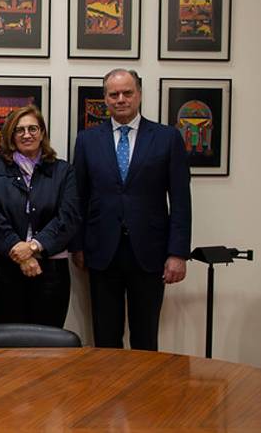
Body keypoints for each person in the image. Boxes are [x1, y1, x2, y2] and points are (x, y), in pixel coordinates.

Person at [73, 68, 191, 351]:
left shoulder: (167, 138)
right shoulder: (87, 140)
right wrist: (78, 246)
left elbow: (181, 200)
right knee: (105, 337)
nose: (121, 99)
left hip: (150, 252)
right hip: (102, 252)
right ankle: (108, 393)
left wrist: (178, 253)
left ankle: (145, 396)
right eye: (113, 94)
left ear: (139, 94)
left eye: (127, 93)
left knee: (145, 337)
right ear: (105, 99)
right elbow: (79, 197)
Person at [0, 105, 79, 327]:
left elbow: (68, 218)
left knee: (48, 344)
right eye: (19, 129)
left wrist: (33, 247)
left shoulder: (63, 171)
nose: (27, 135)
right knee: (7, 343)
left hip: (52, 270)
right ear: (11, 135)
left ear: (42, 133)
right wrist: (20, 252)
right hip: (5, 268)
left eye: (33, 128)